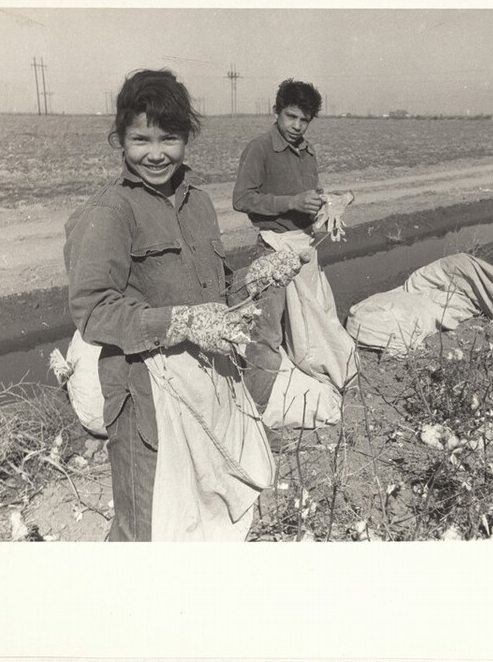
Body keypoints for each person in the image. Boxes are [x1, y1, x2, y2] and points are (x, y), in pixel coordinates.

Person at [63, 69, 266, 541]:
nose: (155, 153)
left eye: (169, 138)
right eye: (141, 139)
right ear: (120, 138)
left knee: (200, 509)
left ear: (186, 138)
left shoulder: (198, 202)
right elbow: (92, 311)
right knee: (146, 522)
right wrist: (182, 321)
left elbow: (213, 290)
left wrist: (252, 282)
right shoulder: (111, 211)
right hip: (143, 392)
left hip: (206, 382)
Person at [232, 79, 356, 422]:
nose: (297, 126)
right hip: (273, 248)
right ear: (277, 111)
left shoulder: (308, 152)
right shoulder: (259, 148)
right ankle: (251, 417)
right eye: (291, 117)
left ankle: (279, 394)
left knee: (306, 326)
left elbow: (308, 196)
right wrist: (293, 202)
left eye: (304, 120)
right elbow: (242, 199)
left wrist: (328, 202)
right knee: (268, 335)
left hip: (303, 248)